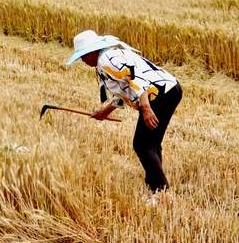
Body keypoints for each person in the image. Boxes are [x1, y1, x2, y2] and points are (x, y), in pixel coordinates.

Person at [65, 30, 183, 194]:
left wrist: (146, 108)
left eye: (83, 56)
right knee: (151, 143)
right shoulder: (105, 60)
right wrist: (105, 112)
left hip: (160, 94)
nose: (83, 60)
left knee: (142, 144)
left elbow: (136, 79)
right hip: (169, 90)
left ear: (93, 51)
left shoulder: (107, 60)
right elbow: (124, 89)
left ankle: (160, 191)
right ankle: (154, 183)